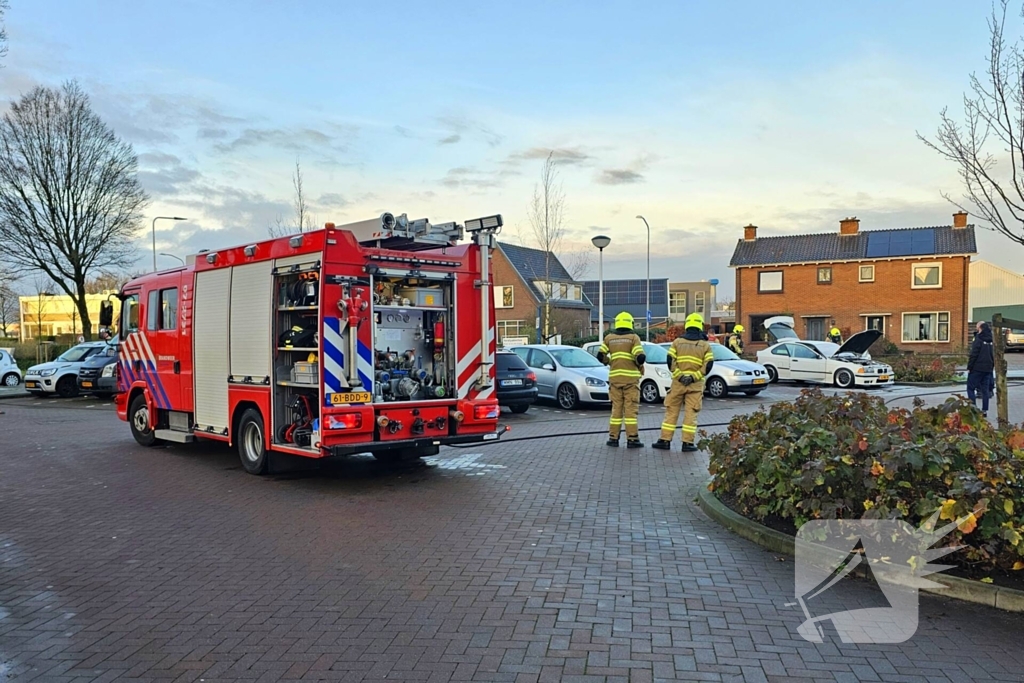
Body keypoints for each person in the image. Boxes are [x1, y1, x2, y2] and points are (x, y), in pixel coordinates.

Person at [653, 313, 714, 452]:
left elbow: (670, 361)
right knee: (691, 414)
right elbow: (708, 364)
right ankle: (687, 443)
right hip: (695, 385)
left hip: (678, 384)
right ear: (700, 326)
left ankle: (664, 440)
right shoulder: (705, 345)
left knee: (671, 411)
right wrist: (693, 377)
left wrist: (680, 376)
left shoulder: (677, 342)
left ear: (687, 325)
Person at [597, 311, 646, 448]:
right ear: (630, 323)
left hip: (615, 380)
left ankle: (613, 438)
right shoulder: (633, 338)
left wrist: (609, 361)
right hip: (630, 381)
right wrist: (638, 363)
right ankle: (632, 439)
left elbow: (600, 356)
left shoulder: (609, 338)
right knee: (630, 411)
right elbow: (640, 357)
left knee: (616, 410)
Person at [967, 321, 995, 416]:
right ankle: (984, 411)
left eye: (977, 327)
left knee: (970, 388)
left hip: (977, 368)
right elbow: (994, 355)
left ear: (980, 328)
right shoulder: (992, 340)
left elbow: (974, 354)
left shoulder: (978, 339)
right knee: (985, 390)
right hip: (988, 369)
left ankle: (973, 409)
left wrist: (969, 367)